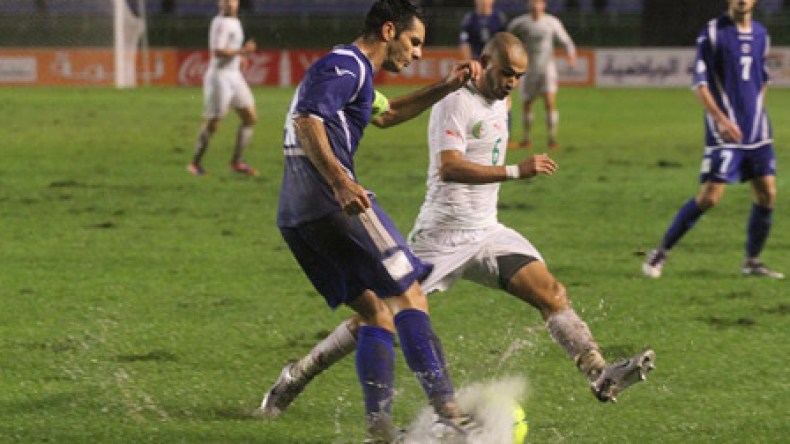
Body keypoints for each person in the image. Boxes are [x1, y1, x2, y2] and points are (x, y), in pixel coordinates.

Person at [259, 33, 656, 427]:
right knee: (379, 313)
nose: (511, 83)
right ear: (484, 62)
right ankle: (298, 375)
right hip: (442, 235)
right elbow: (450, 166)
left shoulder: (504, 99)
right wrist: (518, 170)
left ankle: (600, 373)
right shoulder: (455, 102)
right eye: (505, 74)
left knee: (551, 293)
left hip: (487, 231)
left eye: (518, 76)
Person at [261, 1, 484, 441]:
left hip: (296, 216)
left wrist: (444, 87)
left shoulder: (355, 76)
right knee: (410, 298)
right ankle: (450, 414)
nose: (418, 52)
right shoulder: (346, 67)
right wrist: (341, 182)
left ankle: (380, 431)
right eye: (414, 42)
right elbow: (306, 119)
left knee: (376, 313)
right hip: (331, 204)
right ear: (388, 31)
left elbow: (389, 113)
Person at [642, 0, 783, 280]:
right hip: (724, 133)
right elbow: (700, 83)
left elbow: (762, 79)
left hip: (757, 132)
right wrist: (721, 119)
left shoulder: (761, 34)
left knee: (767, 193)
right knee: (710, 197)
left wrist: (754, 112)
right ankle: (661, 251)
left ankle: (752, 261)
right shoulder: (712, 32)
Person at [187, 0, 258, 177]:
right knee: (214, 124)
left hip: (234, 75)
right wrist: (242, 52)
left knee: (250, 117)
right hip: (219, 77)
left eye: (231, 1)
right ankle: (195, 163)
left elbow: (230, 49)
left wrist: (240, 58)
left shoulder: (236, 21)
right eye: (224, 1)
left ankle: (237, 161)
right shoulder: (219, 23)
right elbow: (217, 51)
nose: (228, 4)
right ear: (219, 4)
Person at [507, 0, 576, 150]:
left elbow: (567, 41)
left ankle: (552, 139)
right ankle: (526, 139)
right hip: (528, 68)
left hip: (547, 68)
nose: (536, 6)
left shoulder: (552, 22)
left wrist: (571, 56)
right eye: (533, 3)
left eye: (539, 3)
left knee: (549, 101)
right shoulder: (520, 23)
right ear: (528, 5)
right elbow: (507, 39)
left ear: (544, 5)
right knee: (527, 103)